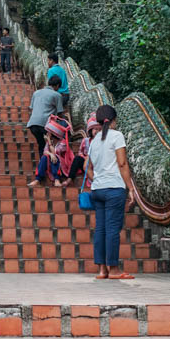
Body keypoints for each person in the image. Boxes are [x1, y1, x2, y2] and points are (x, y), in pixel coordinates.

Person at [85, 104, 135, 280]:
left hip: (97, 190)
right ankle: (113, 269)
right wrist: (130, 188)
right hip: (114, 189)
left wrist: (96, 179)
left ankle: (101, 270)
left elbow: (87, 167)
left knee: (100, 229)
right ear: (114, 120)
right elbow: (122, 164)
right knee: (113, 229)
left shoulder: (94, 141)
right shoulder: (117, 136)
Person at [25, 76, 64, 175]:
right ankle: (52, 169)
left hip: (33, 123)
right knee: (51, 144)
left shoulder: (36, 92)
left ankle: (42, 167)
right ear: (57, 86)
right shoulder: (57, 95)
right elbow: (60, 113)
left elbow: (31, 108)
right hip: (45, 125)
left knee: (41, 144)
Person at [34, 115, 74, 186]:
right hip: (51, 162)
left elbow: (56, 153)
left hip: (61, 165)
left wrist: (49, 144)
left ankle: (57, 179)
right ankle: (37, 179)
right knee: (44, 157)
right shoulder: (49, 142)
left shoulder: (63, 142)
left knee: (55, 157)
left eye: (48, 132)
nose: (47, 134)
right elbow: (45, 151)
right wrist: (50, 154)